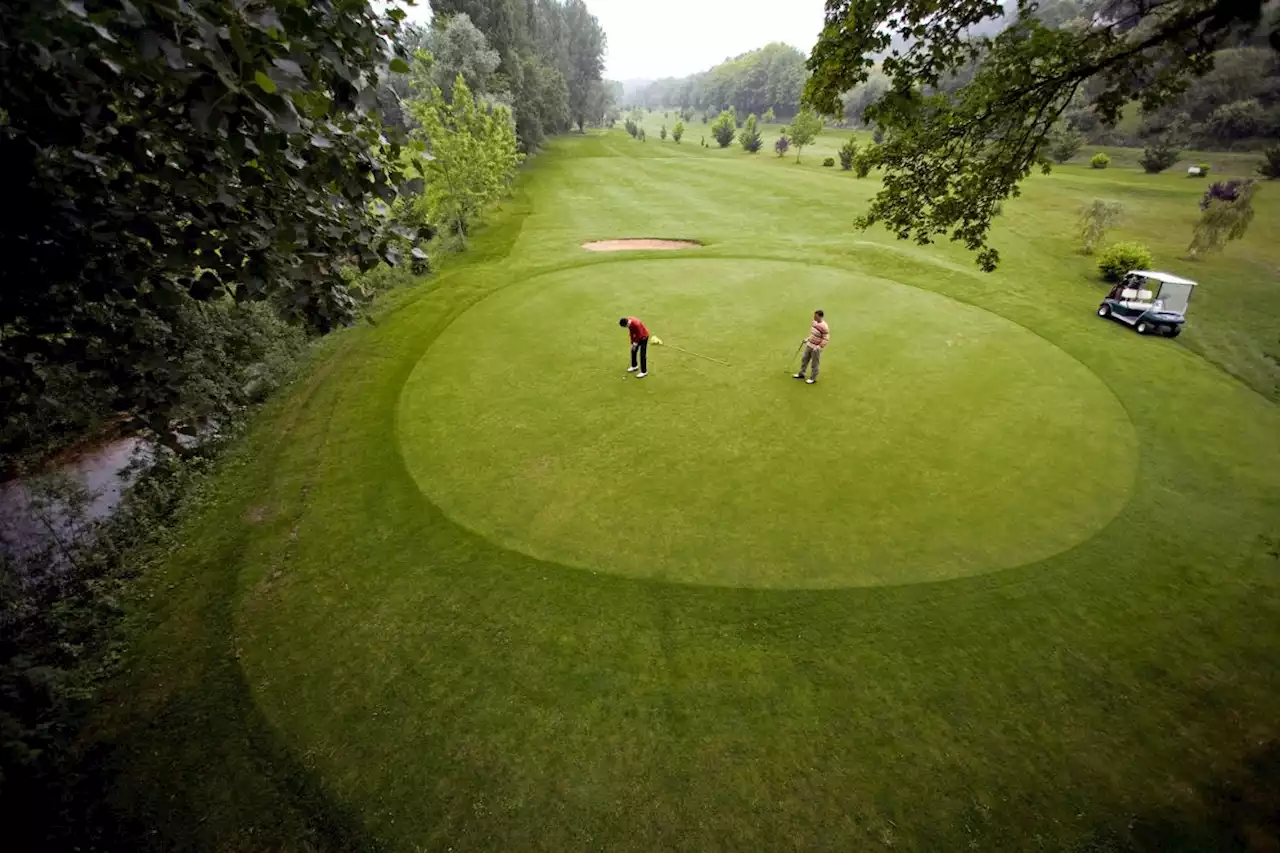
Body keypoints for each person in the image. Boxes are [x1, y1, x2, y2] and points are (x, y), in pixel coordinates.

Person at [794, 309, 829, 385]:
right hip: (809, 344)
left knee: (814, 363)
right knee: (804, 359)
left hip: (816, 348)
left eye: (816, 316)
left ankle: (813, 378)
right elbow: (812, 334)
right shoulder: (814, 322)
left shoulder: (824, 326)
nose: (814, 317)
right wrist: (807, 339)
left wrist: (819, 346)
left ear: (820, 316)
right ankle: (801, 373)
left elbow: (826, 338)